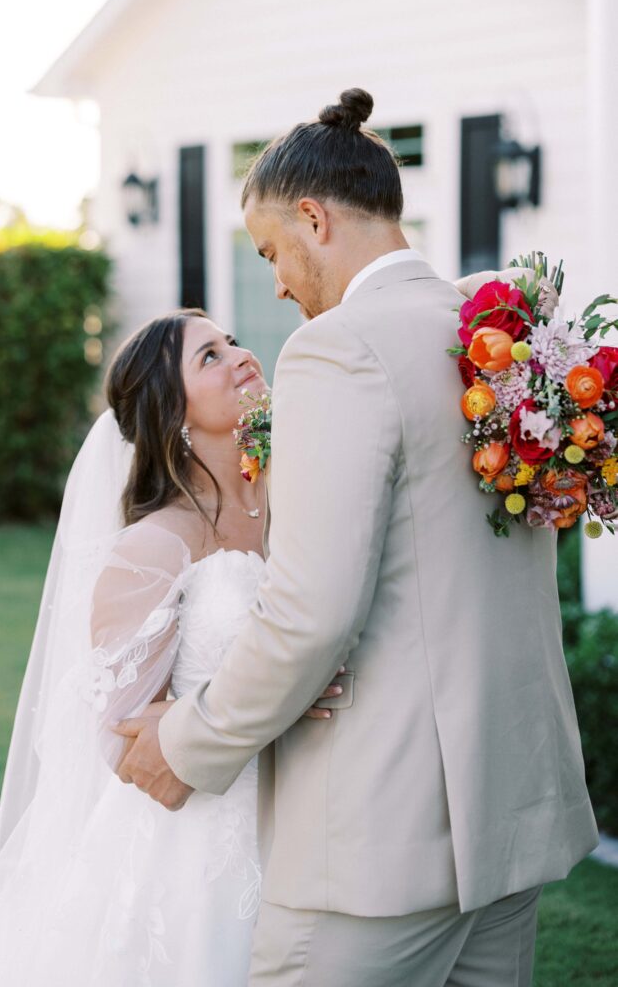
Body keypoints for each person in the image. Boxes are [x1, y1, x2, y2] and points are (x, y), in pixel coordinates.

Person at [118, 89, 599, 987]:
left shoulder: (338, 349)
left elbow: (310, 612)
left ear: (312, 217)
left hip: (378, 838)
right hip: (508, 814)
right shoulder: (494, 334)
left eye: (270, 252)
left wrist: (189, 743)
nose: (276, 284)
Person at [0, 309, 343, 987]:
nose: (241, 357)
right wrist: (279, 703)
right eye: (209, 357)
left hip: (317, 816)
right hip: (198, 844)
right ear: (171, 410)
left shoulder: (300, 498)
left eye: (232, 343)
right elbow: (123, 742)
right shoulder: (154, 547)